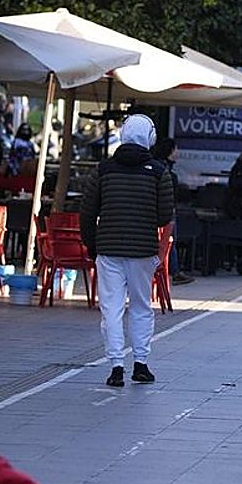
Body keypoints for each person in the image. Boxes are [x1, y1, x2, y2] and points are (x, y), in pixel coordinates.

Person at [80, 114, 174, 388]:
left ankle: (116, 366)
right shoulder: (159, 172)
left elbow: (87, 211)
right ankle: (141, 364)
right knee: (141, 307)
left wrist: (92, 245)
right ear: (150, 138)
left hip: (108, 249)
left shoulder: (103, 170)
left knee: (111, 308)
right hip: (143, 251)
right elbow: (164, 216)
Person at [151, 137, 192, 285]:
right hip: (166, 209)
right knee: (169, 240)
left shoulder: (158, 166)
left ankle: (173, 270)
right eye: (175, 149)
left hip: (160, 208)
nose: (177, 152)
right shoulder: (165, 170)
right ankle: (173, 270)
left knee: (168, 241)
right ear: (170, 151)